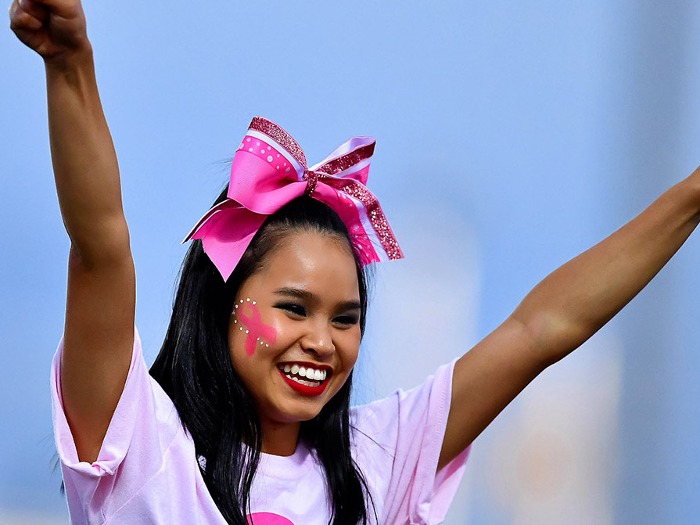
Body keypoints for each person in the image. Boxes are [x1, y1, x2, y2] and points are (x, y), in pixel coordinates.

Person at [9, 0, 700, 524]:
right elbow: (101, 246)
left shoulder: (379, 462)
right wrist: (70, 66)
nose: (323, 340)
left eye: (346, 318)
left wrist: (693, 195)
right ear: (224, 302)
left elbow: (540, 329)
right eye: (293, 307)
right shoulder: (140, 445)